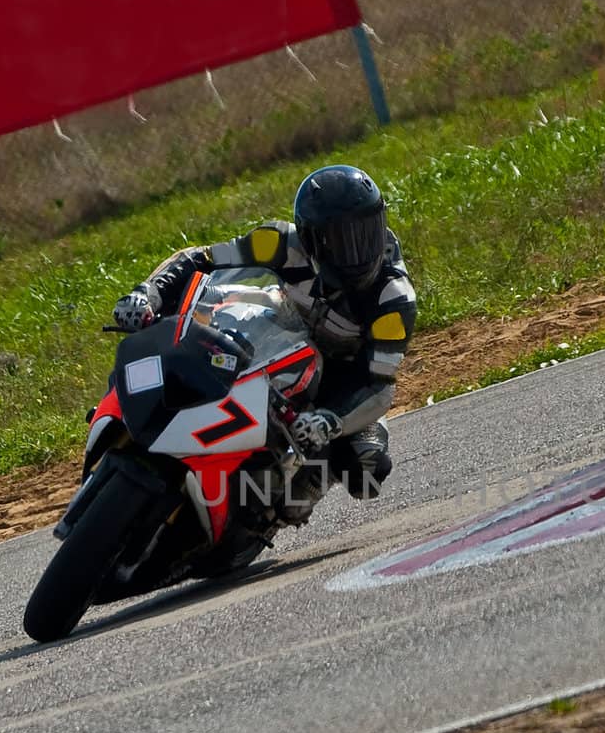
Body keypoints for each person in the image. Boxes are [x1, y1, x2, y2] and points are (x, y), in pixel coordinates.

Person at [110, 164, 415, 521]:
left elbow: (378, 384)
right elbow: (203, 258)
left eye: (367, 232)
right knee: (193, 322)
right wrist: (148, 294)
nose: (359, 250)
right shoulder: (282, 242)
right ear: (311, 236)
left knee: (366, 469)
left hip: (338, 382)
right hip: (278, 329)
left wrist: (331, 420)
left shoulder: (394, 299)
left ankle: (312, 478)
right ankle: (140, 402)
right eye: (343, 239)